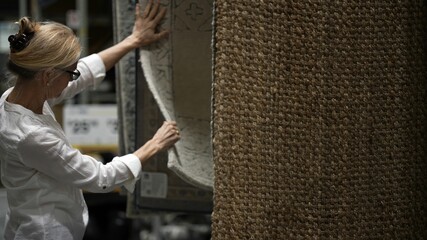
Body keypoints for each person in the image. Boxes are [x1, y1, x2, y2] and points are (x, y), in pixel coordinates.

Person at [0, 1, 180, 239]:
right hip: (46, 232)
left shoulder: (17, 97)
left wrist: (133, 40)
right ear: (47, 76)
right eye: (69, 73)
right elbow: (100, 178)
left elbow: (82, 73)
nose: (72, 79)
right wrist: (155, 144)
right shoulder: (30, 134)